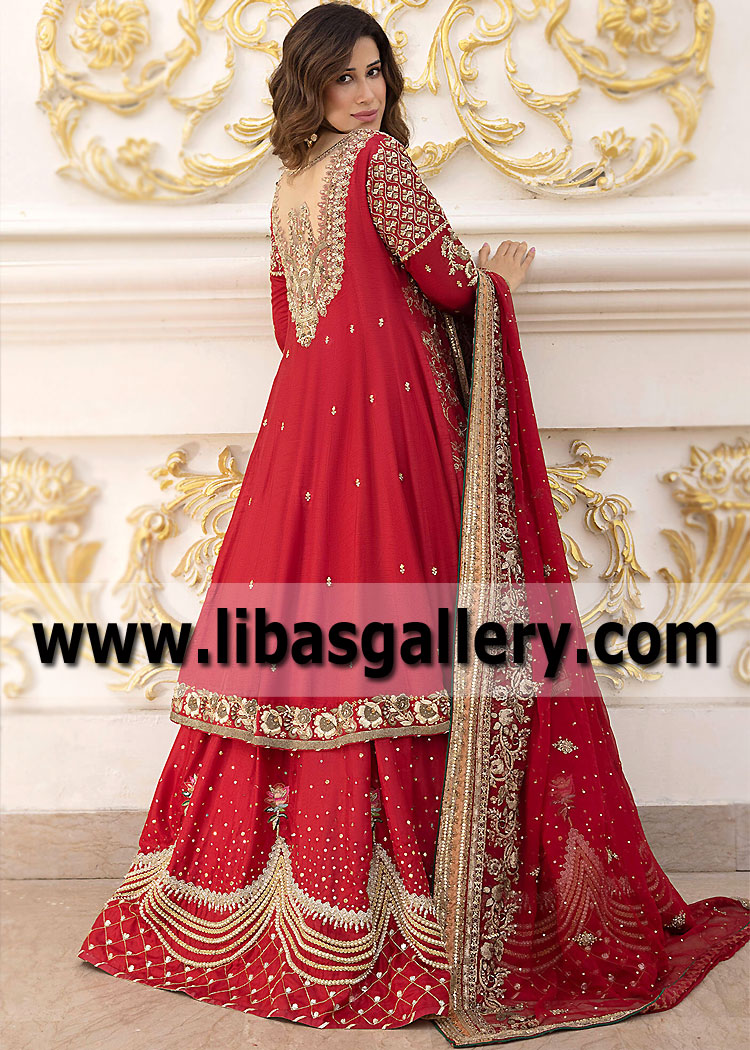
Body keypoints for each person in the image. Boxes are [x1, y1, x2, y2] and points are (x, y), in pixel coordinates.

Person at [78, 4, 750, 1045]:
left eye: (374, 72)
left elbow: (287, 325)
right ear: (308, 86)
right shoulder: (378, 165)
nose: (365, 93)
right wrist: (501, 285)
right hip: (386, 437)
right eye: (343, 77)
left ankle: (251, 900)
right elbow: (447, 282)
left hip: (305, 436)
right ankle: (418, 912)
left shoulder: (289, 186)